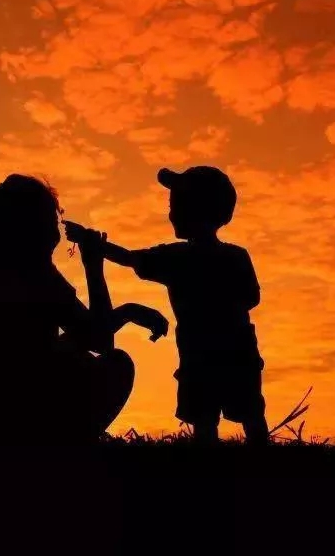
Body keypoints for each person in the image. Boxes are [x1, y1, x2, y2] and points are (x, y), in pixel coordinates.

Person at [0, 174, 168, 454]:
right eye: (52, 220)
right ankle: (71, 443)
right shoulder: (39, 278)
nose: (57, 231)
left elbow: (46, 344)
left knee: (69, 353)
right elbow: (100, 340)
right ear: (32, 228)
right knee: (117, 364)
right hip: (20, 424)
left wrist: (127, 313)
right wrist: (93, 266)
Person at [65, 166, 269, 446]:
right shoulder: (235, 256)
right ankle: (260, 457)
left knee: (207, 417)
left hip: (201, 354)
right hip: (236, 352)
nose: (171, 214)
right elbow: (252, 298)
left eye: (176, 206)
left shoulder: (177, 258)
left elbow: (129, 258)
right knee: (248, 412)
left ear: (196, 210)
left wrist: (94, 245)